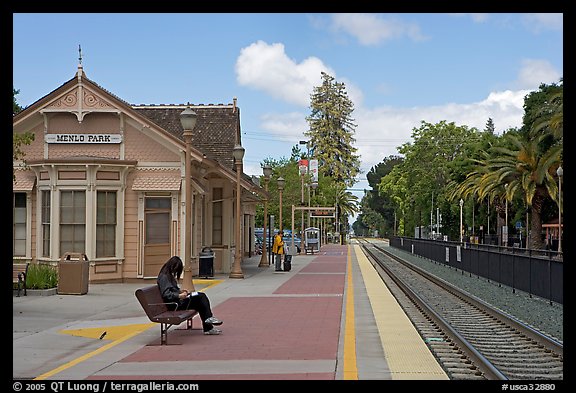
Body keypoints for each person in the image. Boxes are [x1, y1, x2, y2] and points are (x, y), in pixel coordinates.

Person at [157, 256, 223, 335]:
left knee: (200, 299)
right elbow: (166, 294)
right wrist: (179, 296)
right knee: (200, 297)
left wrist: (180, 291)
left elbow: (172, 290)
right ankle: (209, 321)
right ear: (172, 266)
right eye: (176, 270)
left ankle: (208, 327)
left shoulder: (168, 275)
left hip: (177, 302)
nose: (175, 272)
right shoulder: (164, 277)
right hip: (174, 305)